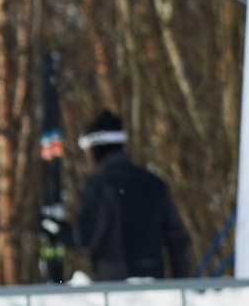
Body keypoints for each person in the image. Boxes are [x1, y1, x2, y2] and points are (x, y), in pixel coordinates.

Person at [75, 109, 194, 281]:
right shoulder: (154, 183)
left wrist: (62, 234)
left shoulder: (99, 186)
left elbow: (87, 239)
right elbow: (177, 239)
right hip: (155, 287)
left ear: (95, 148)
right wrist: (181, 283)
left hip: (115, 289)